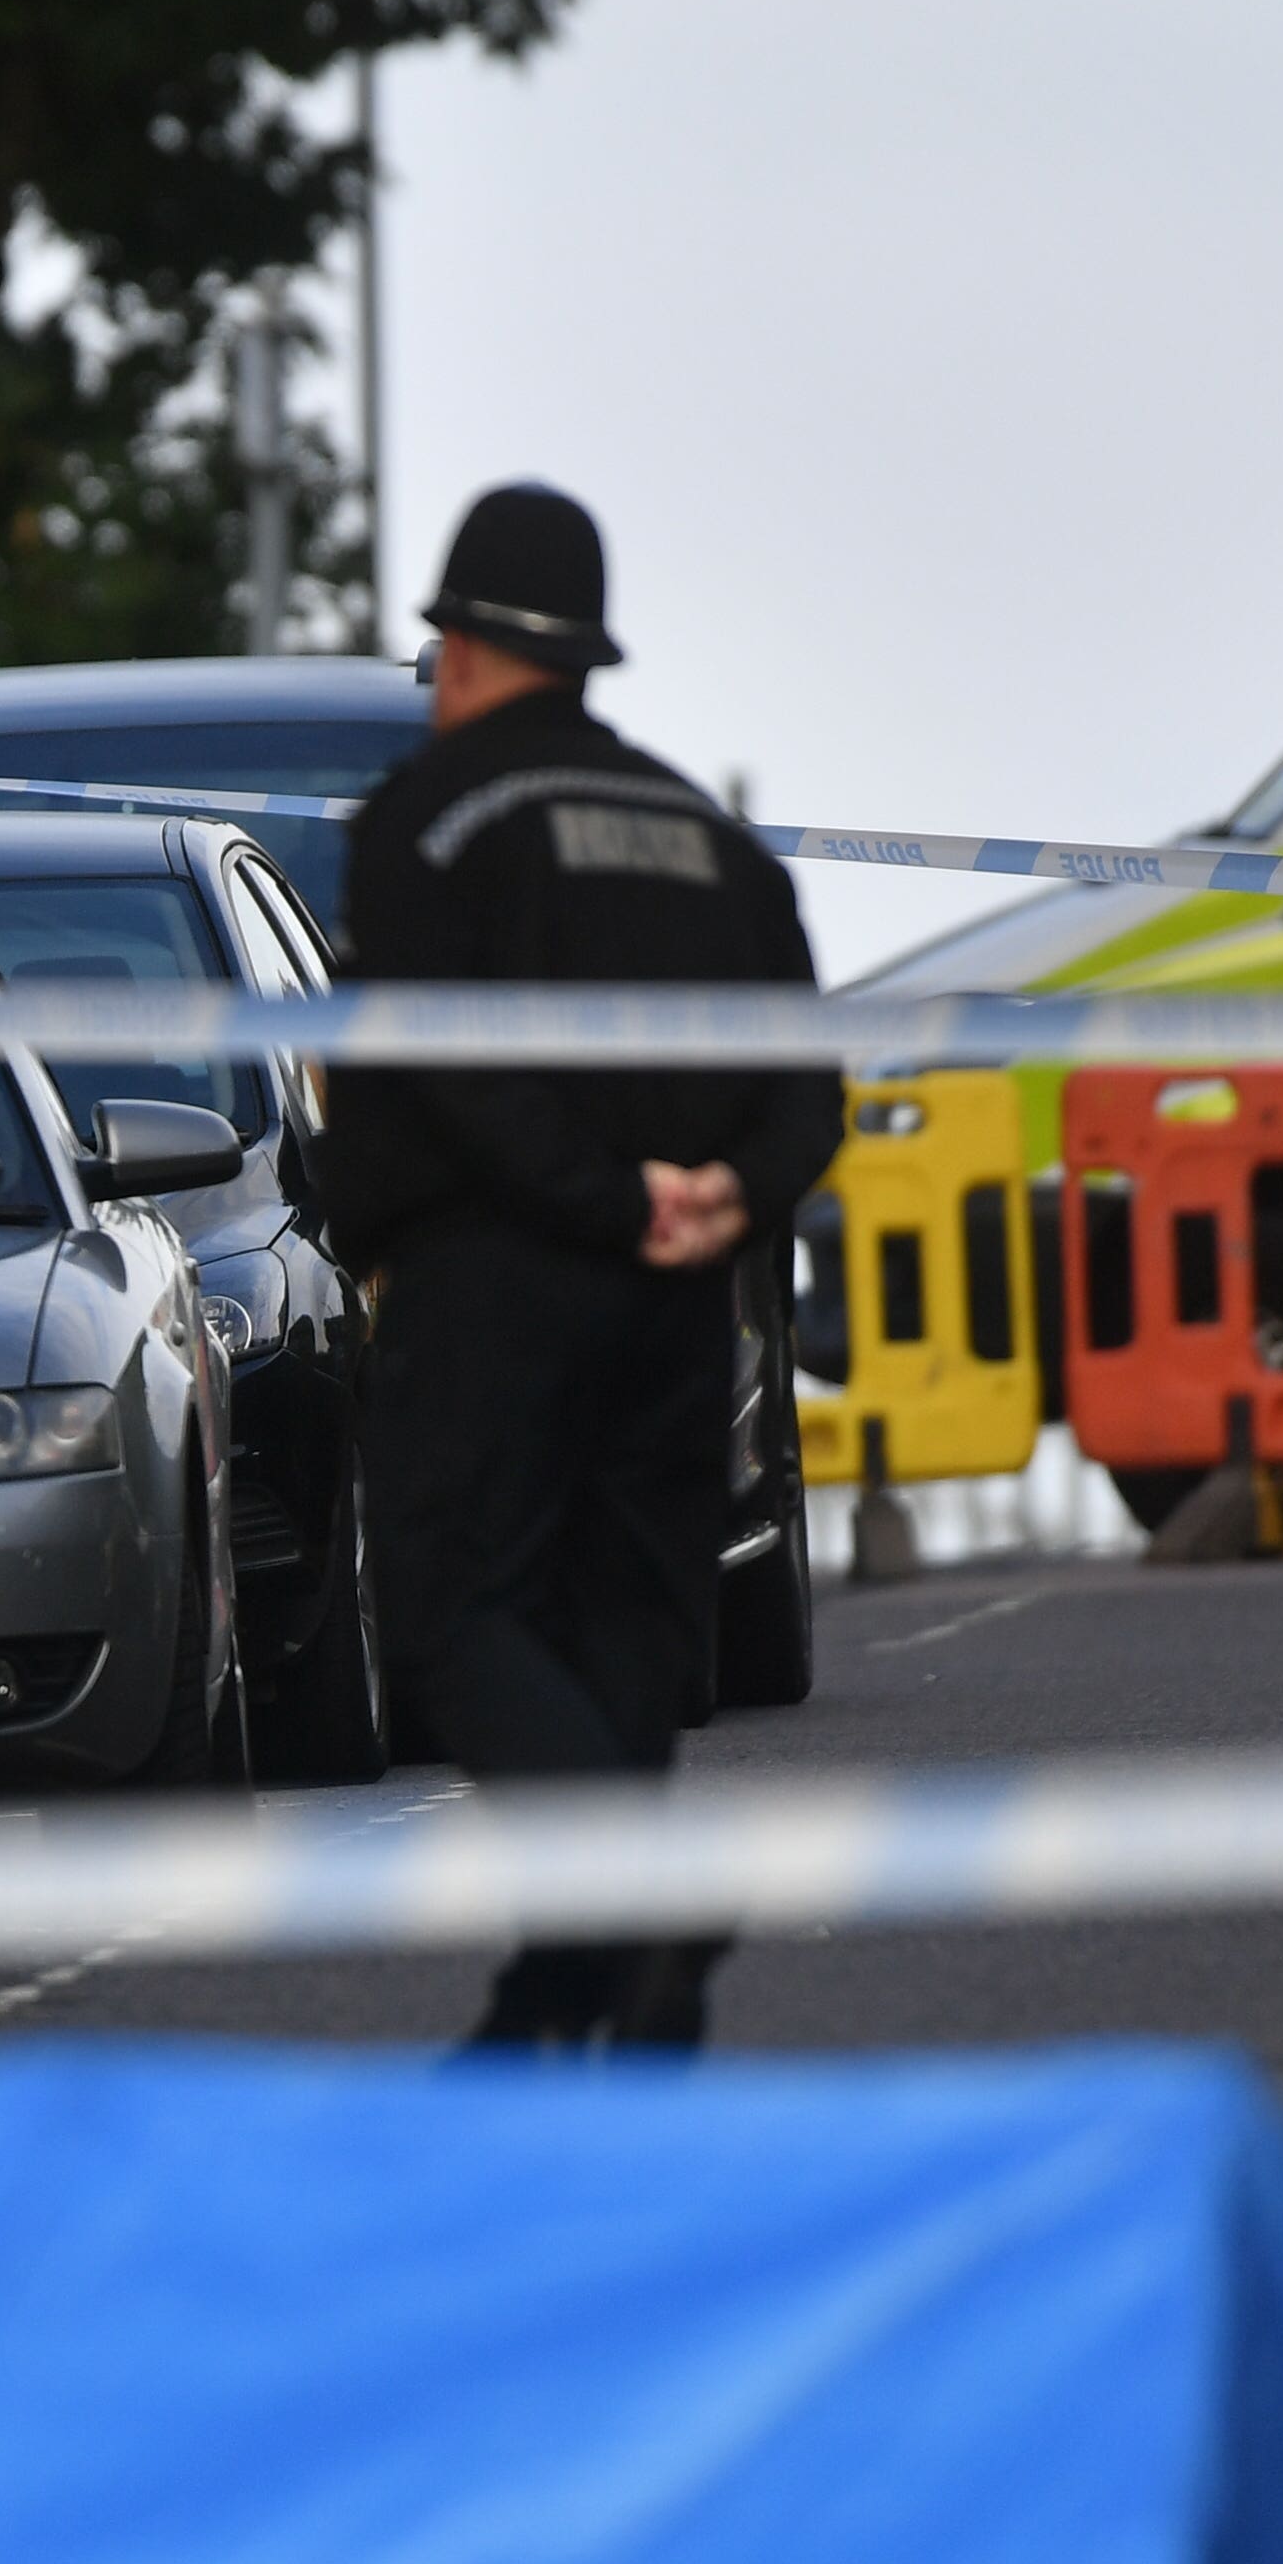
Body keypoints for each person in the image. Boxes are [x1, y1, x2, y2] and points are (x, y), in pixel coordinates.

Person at [331, 483, 842, 2050]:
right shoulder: (713, 844)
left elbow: (453, 1072)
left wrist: (606, 1195)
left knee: (455, 1607)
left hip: (496, 1284)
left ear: (466, 649)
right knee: (627, 1630)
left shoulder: (421, 825)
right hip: (684, 1305)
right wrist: (719, 1205)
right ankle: (580, 1997)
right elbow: (806, 1084)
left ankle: (636, 1907)